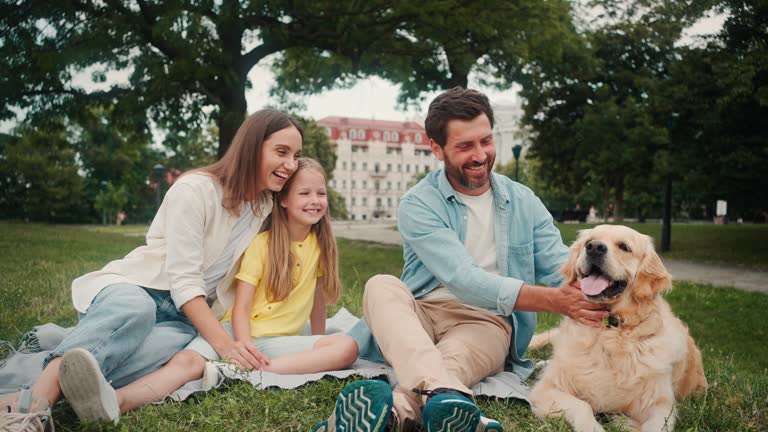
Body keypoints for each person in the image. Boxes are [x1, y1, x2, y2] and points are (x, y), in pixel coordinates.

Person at [313, 88, 610, 432]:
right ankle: (454, 408)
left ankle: (391, 415)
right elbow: (464, 279)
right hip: (420, 312)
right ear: (436, 148)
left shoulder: (524, 201)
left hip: (486, 321)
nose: (480, 155)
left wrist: (600, 282)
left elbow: (564, 266)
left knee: (446, 365)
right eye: (465, 146)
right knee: (380, 285)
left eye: (485, 141)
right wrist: (555, 302)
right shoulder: (418, 203)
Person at [0, 109, 304, 429]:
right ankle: (35, 404)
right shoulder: (196, 189)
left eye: (296, 156)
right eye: (281, 152)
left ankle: (59, 340)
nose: (290, 165)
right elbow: (184, 282)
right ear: (251, 147)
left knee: (145, 362)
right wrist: (226, 347)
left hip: (185, 318)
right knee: (138, 310)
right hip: (139, 289)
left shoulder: (264, 205)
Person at [78, 157, 359, 418]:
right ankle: (116, 401)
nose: (315, 201)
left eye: (321, 193)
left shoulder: (322, 248)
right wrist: (242, 345)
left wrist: (317, 346)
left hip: (276, 344)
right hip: (235, 334)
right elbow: (243, 305)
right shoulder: (262, 245)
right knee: (186, 362)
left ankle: (242, 373)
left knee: (346, 347)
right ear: (283, 200)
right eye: (305, 193)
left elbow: (318, 301)